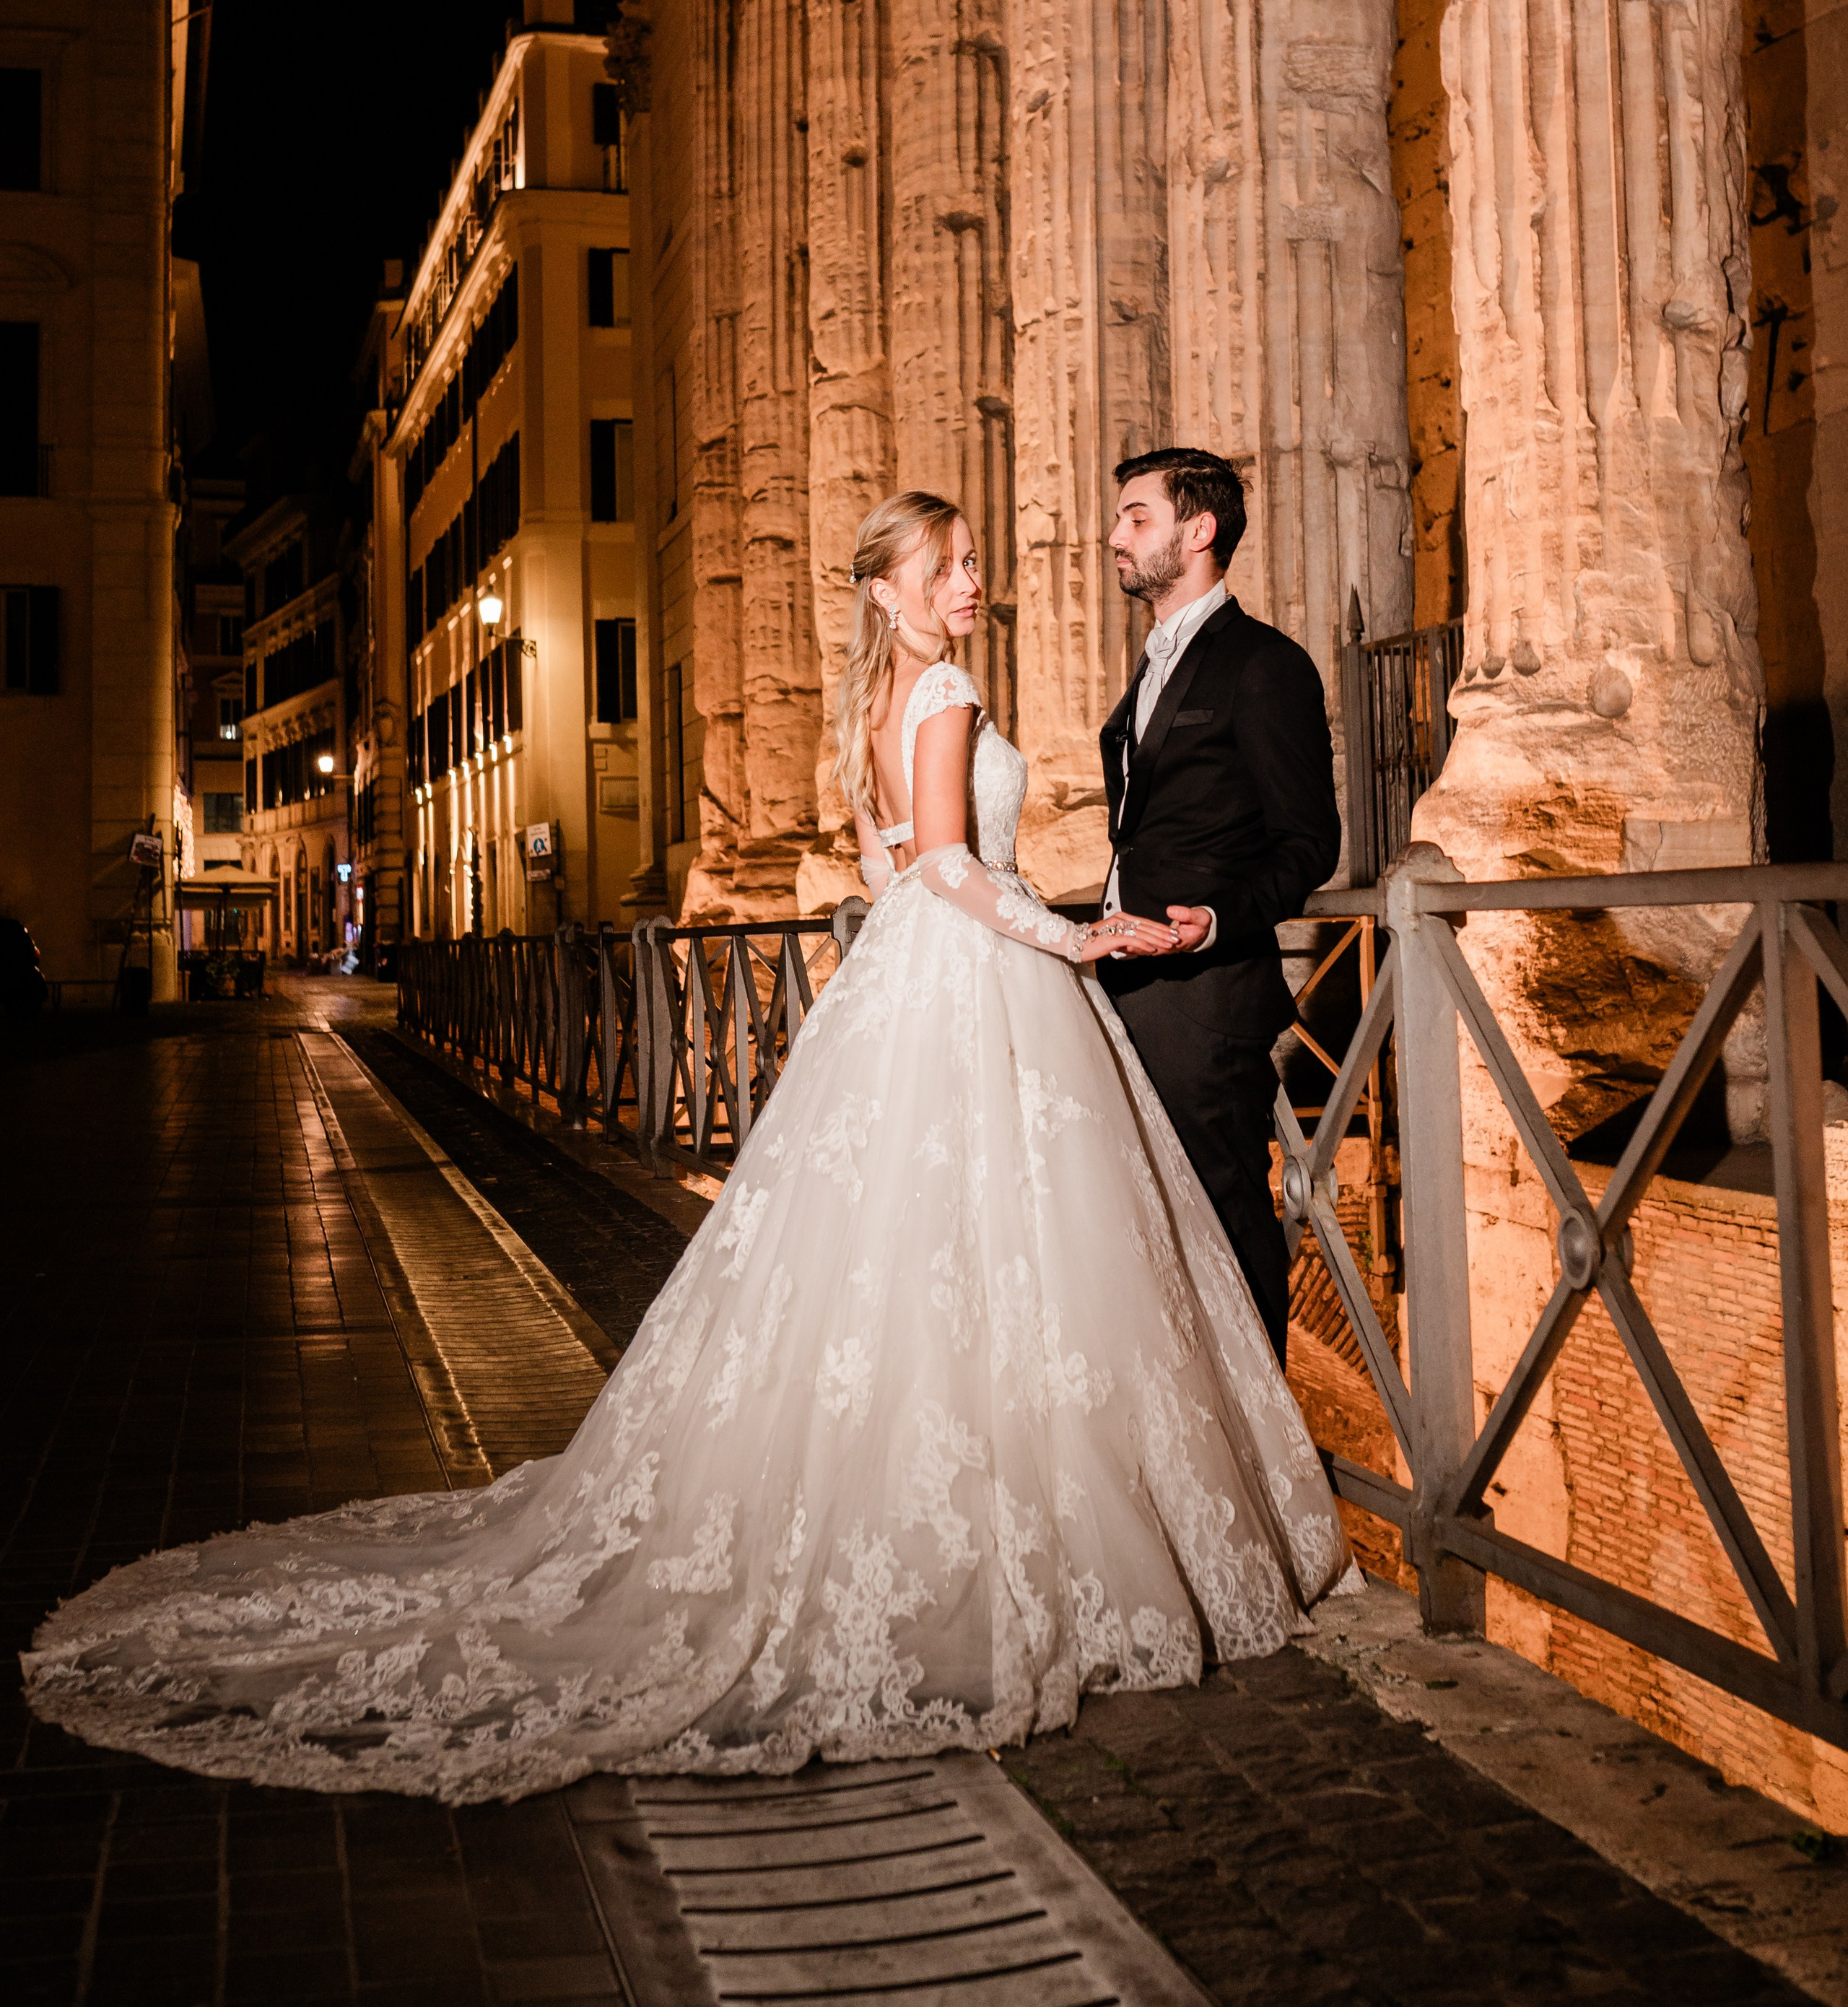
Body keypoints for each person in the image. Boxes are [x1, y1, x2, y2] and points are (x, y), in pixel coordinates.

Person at [25, 491, 1353, 1803]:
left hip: (907, 987)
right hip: (982, 982)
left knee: (892, 1265)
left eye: (964, 564)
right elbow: (949, 866)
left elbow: (888, 872)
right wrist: (1072, 938)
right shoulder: (941, 690)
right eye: (950, 565)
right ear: (893, 592)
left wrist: (975, 924)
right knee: (1005, 1255)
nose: (972, 582)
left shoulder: (875, 714)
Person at [1097, 450, 1345, 1364]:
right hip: (1127, 986)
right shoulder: (1156, 660)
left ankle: (1260, 1444)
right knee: (1154, 1229)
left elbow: (1307, 844)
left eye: (1136, 517)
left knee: (1228, 1221)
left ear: (1196, 533)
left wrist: (1217, 918)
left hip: (1206, 1000)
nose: (1115, 535)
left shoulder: (1265, 665)